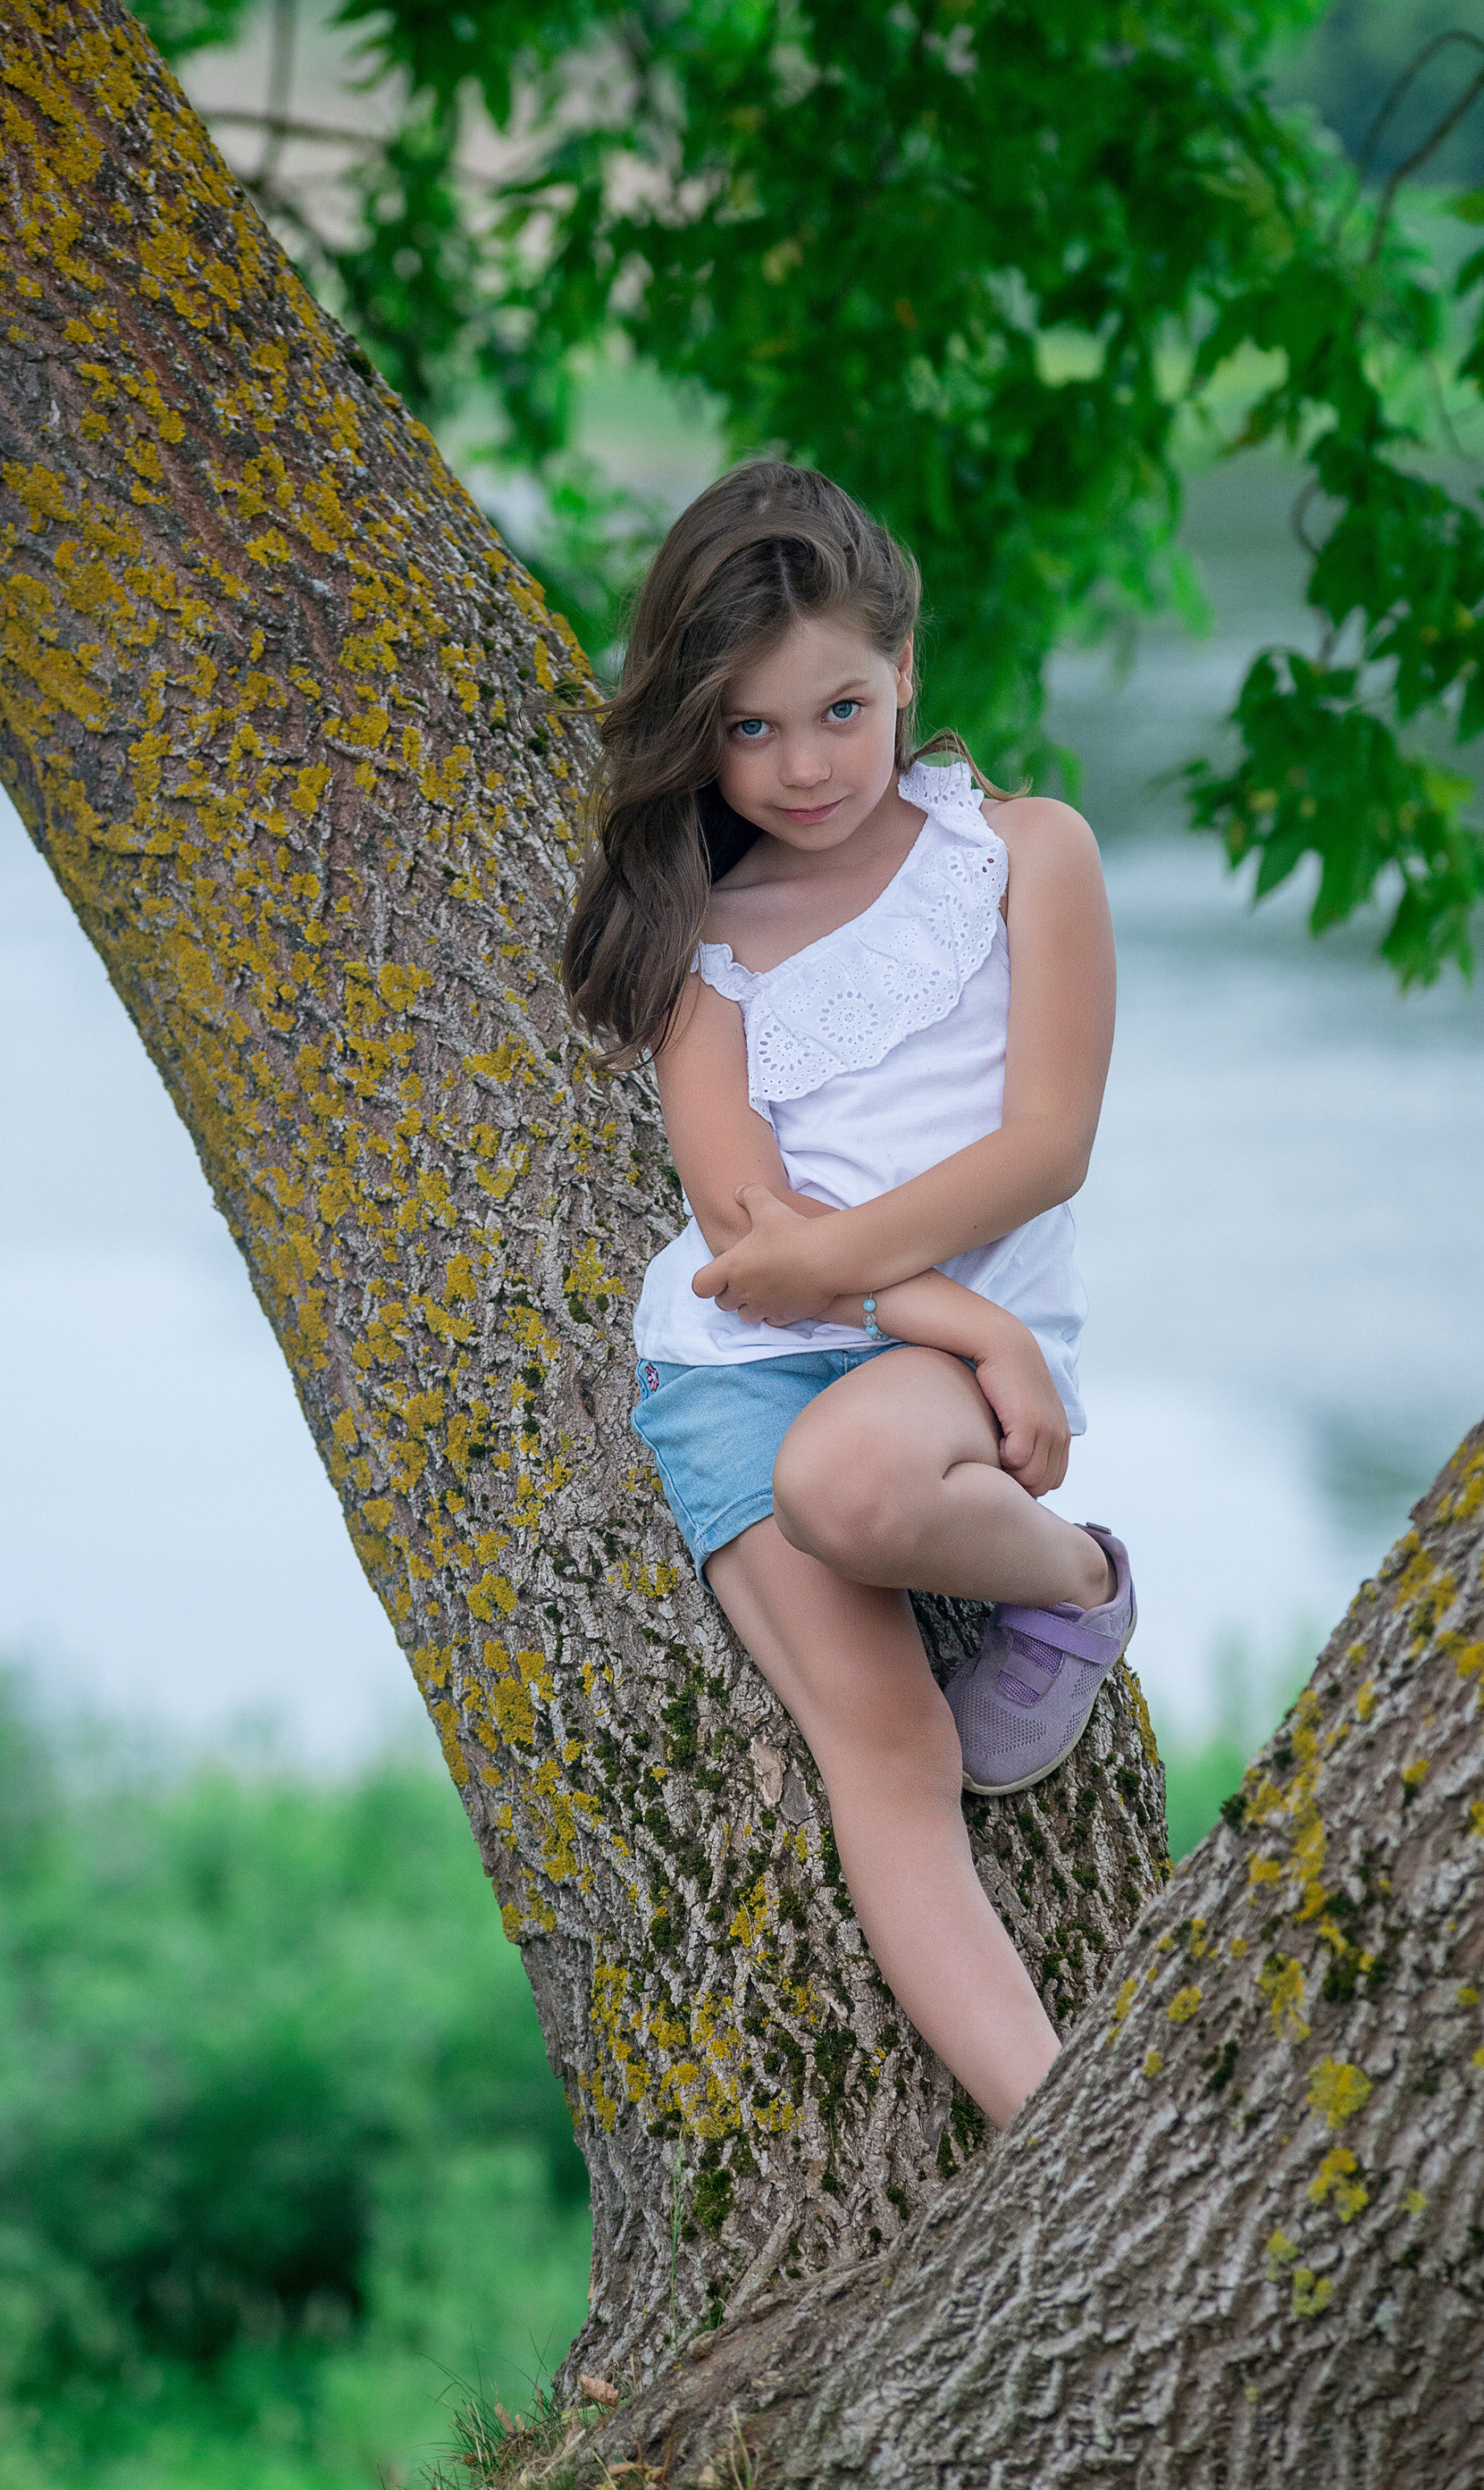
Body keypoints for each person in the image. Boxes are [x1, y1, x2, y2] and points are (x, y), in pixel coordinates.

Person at [563, 461, 1135, 2129]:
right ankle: (1059, 2146)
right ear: (699, 734)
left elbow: (1047, 1145)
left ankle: (1077, 1581)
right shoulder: (703, 939)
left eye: (840, 711)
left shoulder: (1025, 856)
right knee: (890, 1752)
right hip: (747, 1355)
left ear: (905, 673)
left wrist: (914, 1296)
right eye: (750, 730)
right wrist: (966, 1322)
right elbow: (749, 1240)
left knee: (852, 1486)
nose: (805, 766)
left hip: (913, 1369)